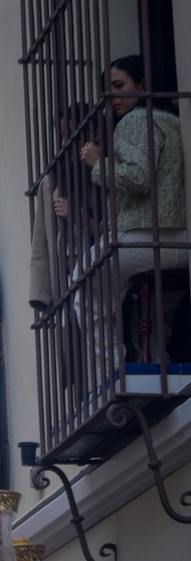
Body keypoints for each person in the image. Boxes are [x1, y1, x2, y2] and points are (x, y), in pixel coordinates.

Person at [80, 54, 187, 345]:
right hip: (181, 240)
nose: (113, 96)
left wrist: (97, 163)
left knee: (84, 279)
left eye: (119, 85)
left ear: (141, 85)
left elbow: (139, 178)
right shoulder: (174, 120)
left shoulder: (134, 120)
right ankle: (159, 382)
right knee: (154, 317)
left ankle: (104, 375)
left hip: (150, 239)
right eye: (108, 89)